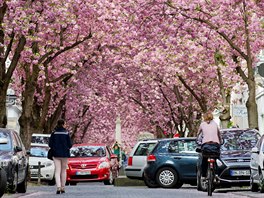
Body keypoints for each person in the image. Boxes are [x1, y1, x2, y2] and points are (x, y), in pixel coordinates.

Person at [49, 119, 72, 194]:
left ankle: (58, 187)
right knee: (63, 170)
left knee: (57, 171)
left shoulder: (54, 133)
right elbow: (70, 144)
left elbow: (50, 144)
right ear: (63, 124)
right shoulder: (66, 133)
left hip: (56, 154)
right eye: (65, 124)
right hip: (64, 154)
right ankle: (63, 187)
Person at [197, 111, 222, 180]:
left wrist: (198, 141)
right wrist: (220, 141)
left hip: (206, 145)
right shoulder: (215, 124)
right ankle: (216, 174)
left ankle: (203, 176)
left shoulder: (202, 124)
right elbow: (219, 135)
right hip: (215, 145)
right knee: (216, 159)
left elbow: (198, 134)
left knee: (204, 160)